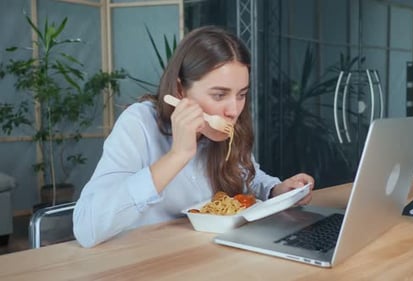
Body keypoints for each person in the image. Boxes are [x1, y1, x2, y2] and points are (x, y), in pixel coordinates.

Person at [73, 25, 314, 248]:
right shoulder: (139, 123)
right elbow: (87, 229)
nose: (233, 110)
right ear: (180, 89)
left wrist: (275, 190)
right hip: (146, 259)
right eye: (219, 95)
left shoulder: (227, 129)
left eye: (241, 94)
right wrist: (179, 154)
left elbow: (247, 174)